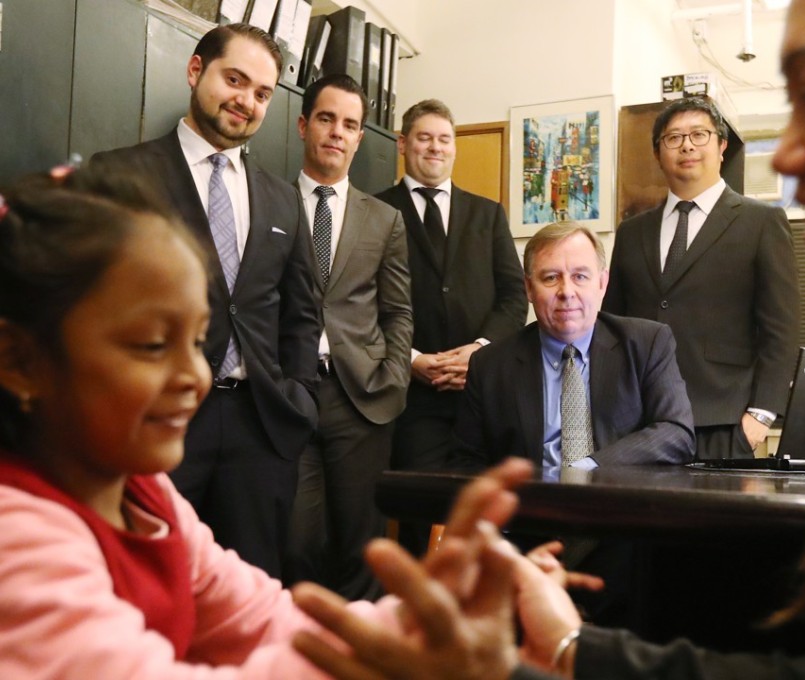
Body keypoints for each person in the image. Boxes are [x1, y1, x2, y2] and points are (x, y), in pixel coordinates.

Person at [287, 0, 805, 677]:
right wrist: (548, 654)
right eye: (548, 278)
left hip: (712, 431)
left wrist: (756, 412)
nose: (788, 155)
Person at [0, 166, 368, 678]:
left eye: (198, 342)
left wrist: (430, 622)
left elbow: (263, 617)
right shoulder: (15, 535)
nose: (194, 375)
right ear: (19, 360)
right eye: (152, 345)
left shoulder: (146, 492)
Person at [91, 24, 321, 578]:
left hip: (260, 427)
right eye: (234, 80)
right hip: (158, 424)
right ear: (196, 71)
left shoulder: (283, 199)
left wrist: (299, 394)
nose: (246, 101)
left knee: (253, 587)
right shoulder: (120, 175)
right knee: (148, 582)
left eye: (263, 93)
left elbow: (301, 311)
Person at [602, 95, 800, 460]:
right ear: (658, 153)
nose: (687, 145)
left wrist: (761, 415)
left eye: (699, 134)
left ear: (722, 146)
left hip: (723, 420)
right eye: (673, 138)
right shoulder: (632, 232)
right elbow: (612, 325)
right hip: (640, 420)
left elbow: (781, 330)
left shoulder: (761, 223)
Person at [376, 98, 528, 554]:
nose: (435, 148)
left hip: (479, 395)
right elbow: (360, 303)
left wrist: (478, 350)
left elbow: (513, 296)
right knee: (420, 520)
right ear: (404, 144)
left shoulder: (488, 214)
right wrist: (413, 359)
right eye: (424, 138)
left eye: (444, 139)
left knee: (484, 519)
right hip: (410, 398)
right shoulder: (375, 210)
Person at [285, 73, 412, 601]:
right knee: (295, 543)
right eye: (327, 118)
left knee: (363, 548)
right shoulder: (267, 201)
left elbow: (399, 312)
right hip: (288, 396)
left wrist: (394, 378)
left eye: (351, 124)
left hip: (361, 400)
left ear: (361, 137)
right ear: (303, 125)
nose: (338, 132)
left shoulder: (384, 219)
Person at [450, 221, 695, 476]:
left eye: (580, 276)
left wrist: (587, 467)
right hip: (530, 507)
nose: (567, 291)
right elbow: (466, 463)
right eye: (551, 277)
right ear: (529, 288)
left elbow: (676, 432)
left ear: (602, 283)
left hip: (621, 504)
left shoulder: (647, 343)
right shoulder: (489, 365)